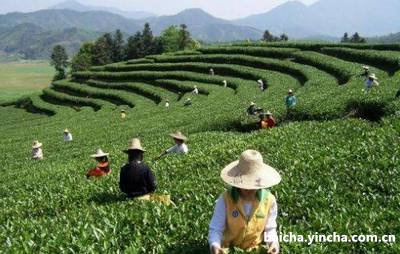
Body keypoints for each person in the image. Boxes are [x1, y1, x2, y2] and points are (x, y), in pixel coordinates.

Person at [208, 150, 281, 254]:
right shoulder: (225, 199)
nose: (248, 189)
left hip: (255, 249)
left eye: (252, 184)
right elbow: (216, 228)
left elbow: (270, 229)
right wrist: (215, 245)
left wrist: (273, 244)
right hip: (229, 249)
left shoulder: (269, 201)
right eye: (246, 184)